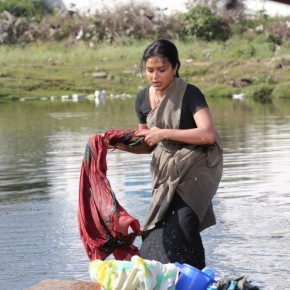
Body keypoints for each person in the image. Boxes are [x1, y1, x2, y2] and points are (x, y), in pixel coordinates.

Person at [111, 39, 223, 270]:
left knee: (185, 219)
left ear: (175, 67)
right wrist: (119, 145)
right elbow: (147, 144)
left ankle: (199, 278)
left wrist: (163, 133)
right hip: (167, 167)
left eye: (162, 70)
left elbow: (208, 134)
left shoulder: (190, 93)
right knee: (156, 230)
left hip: (199, 160)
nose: (155, 76)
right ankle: (167, 276)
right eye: (150, 70)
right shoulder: (142, 99)